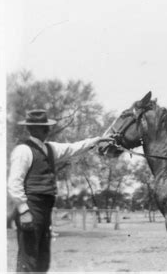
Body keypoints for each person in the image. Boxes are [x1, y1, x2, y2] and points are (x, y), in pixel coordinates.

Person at [7, 109, 111, 273]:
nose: (47, 130)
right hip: (31, 206)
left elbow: (73, 148)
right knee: (29, 257)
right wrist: (23, 210)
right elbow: (14, 183)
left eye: (46, 126)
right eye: (43, 127)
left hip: (45, 208)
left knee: (42, 256)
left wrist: (97, 140)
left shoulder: (50, 148)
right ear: (33, 129)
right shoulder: (23, 150)